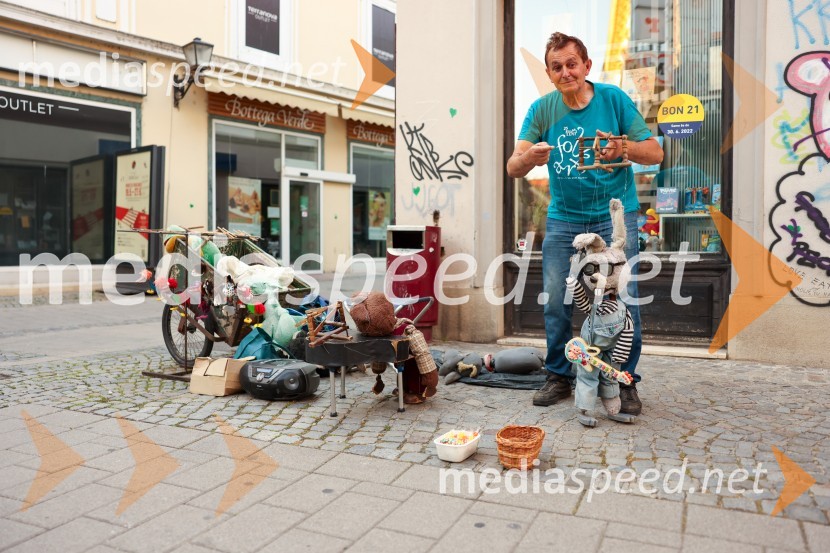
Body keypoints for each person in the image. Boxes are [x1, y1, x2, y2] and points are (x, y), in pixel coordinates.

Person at [506, 32, 663, 415]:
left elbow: (655, 152)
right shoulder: (542, 110)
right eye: (556, 67)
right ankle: (560, 374)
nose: (565, 72)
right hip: (563, 219)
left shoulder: (613, 100)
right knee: (557, 300)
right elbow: (513, 166)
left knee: (624, 300)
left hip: (614, 217)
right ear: (549, 72)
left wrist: (623, 147)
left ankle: (624, 379)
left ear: (586, 66)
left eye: (571, 64)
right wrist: (531, 159)